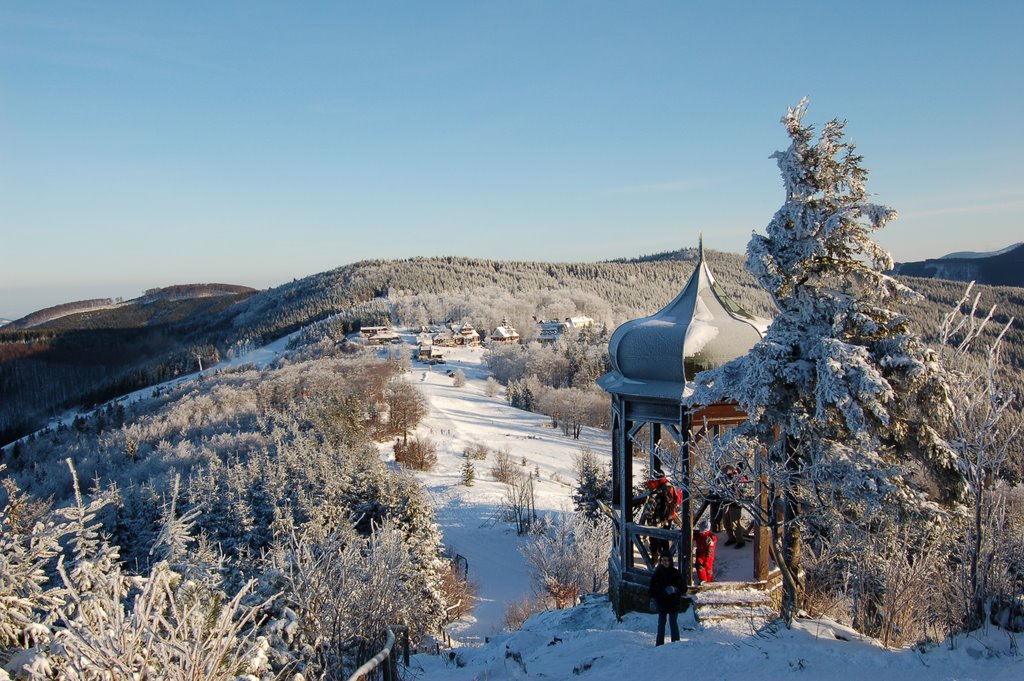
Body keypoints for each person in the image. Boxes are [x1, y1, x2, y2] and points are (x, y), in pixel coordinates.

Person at [648, 553, 686, 645]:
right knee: (661, 624)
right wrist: (653, 599)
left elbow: (684, 588)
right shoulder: (657, 573)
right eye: (663, 560)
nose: (665, 562)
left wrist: (675, 589)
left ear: (670, 561)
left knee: (673, 623)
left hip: (673, 603)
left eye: (667, 560)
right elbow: (652, 588)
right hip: (662, 603)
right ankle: (659, 644)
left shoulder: (675, 573)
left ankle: (676, 644)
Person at [643, 477, 681, 563]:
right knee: (664, 540)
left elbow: (648, 511)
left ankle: (654, 562)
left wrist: (649, 521)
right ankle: (667, 561)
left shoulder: (655, 494)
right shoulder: (671, 488)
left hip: (655, 522)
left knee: (653, 540)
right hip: (667, 520)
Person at [693, 516, 717, 585]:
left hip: (707, 555)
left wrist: (707, 560)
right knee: (699, 566)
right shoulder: (699, 535)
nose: (701, 532)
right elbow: (693, 536)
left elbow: (710, 550)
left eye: (702, 531)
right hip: (700, 554)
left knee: (707, 568)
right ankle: (703, 580)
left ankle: (709, 582)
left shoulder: (709, 538)